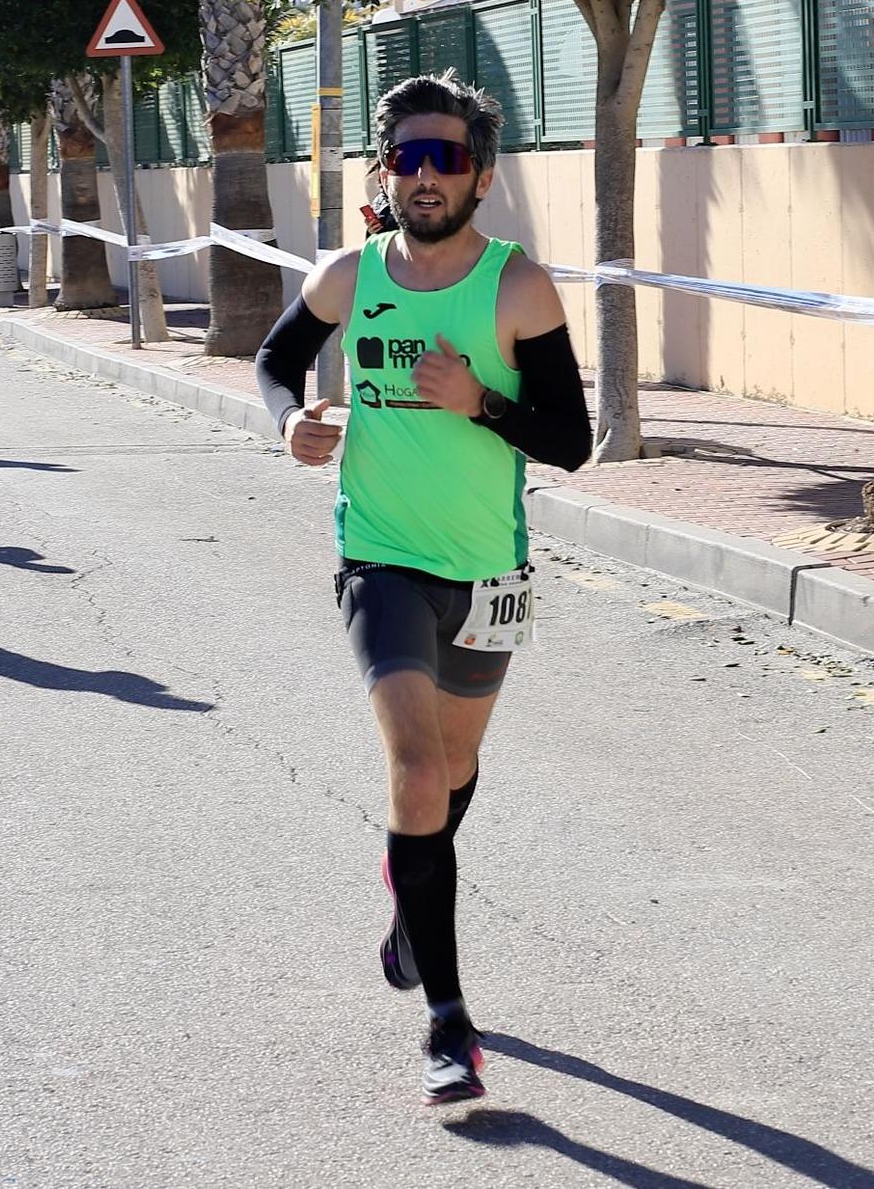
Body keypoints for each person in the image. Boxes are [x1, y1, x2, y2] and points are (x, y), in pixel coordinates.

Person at [253, 72, 590, 1104]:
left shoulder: (516, 286)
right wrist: (288, 422)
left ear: (479, 175)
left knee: (449, 770)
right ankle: (448, 1018)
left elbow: (571, 442)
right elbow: (275, 361)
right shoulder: (350, 277)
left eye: (445, 157)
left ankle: (413, 898)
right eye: (407, 156)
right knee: (412, 769)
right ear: (384, 171)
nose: (426, 174)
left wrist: (479, 398)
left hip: (487, 567)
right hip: (382, 557)